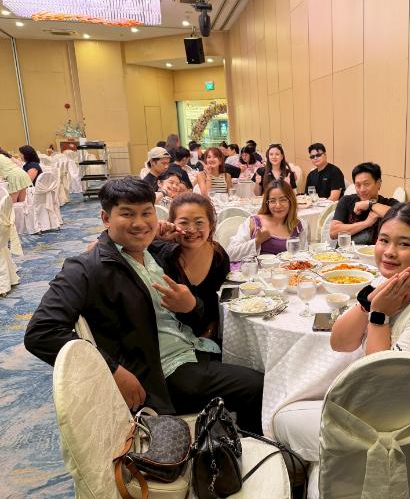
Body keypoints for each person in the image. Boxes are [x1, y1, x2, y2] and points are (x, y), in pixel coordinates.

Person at [23, 177, 263, 433]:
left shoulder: (153, 254)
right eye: (127, 214)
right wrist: (112, 371)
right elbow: (41, 332)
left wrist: (190, 306)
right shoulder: (85, 268)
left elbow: (196, 308)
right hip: (159, 375)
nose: (139, 223)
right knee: (259, 386)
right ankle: (254, 444)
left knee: (260, 359)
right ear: (106, 218)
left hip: (192, 347)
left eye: (146, 213)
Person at [274, 202, 410, 462]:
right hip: (375, 413)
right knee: (290, 409)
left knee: (282, 419)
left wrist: (378, 317)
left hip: (398, 436)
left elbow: (382, 386)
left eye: (404, 244)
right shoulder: (394, 280)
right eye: (383, 240)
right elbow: (340, 342)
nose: (389, 252)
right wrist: (367, 305)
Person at [152, 193, 230, 344]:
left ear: (211, 225)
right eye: (183, 222)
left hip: (208, 337)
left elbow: (222, 303)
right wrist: (153, 236)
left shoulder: (219, 256)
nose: (192, 229)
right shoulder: (162, 253)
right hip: (169, 339)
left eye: (199, 222)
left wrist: (210, 331)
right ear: (172, 224)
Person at [227, 180, 306, 260]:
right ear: (267, 203)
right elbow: (231, 254)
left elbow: (304, 257)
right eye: (272, 201)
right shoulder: (254, 222)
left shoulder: (297, 226)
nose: (278, 205)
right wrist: (257, 241)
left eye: (283, 200)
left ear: (291, 201)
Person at [329, 162, 398, 245]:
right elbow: (333, 233)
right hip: (347, 251)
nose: (362, 190)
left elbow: (402, 217)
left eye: (366, 184)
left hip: (375, 252)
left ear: (378, 184)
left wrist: (370, 204)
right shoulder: (347, 201)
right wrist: (366, 223)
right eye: (358, 185)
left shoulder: (388, 203)